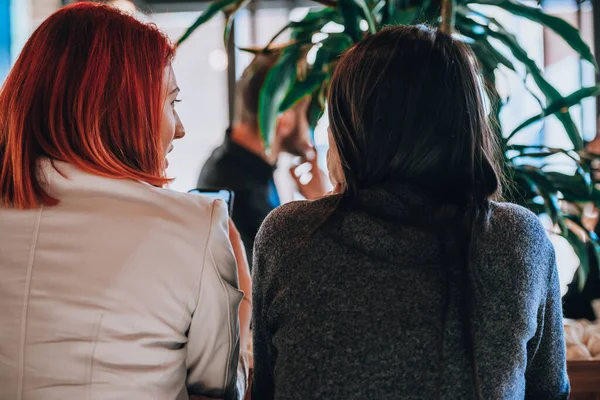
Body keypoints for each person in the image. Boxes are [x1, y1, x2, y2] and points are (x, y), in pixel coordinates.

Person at [252, 26, 570, 399]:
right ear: (465, 124)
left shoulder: (288, 236)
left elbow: (266, 389)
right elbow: (549, 392)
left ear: (353, 131)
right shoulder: (517, 239)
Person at [0, 4, 250, 399]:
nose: (180, 130)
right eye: (173, 103)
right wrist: (242, 302)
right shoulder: (193, 225)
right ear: (122, 108)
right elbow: (219, 388)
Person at [197, 53, 329, 261]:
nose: (311, 126)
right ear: (284, 119)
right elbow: (291, 273)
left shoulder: (237, 165)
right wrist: (323, 205)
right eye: (308, 114)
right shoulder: (241, 192)